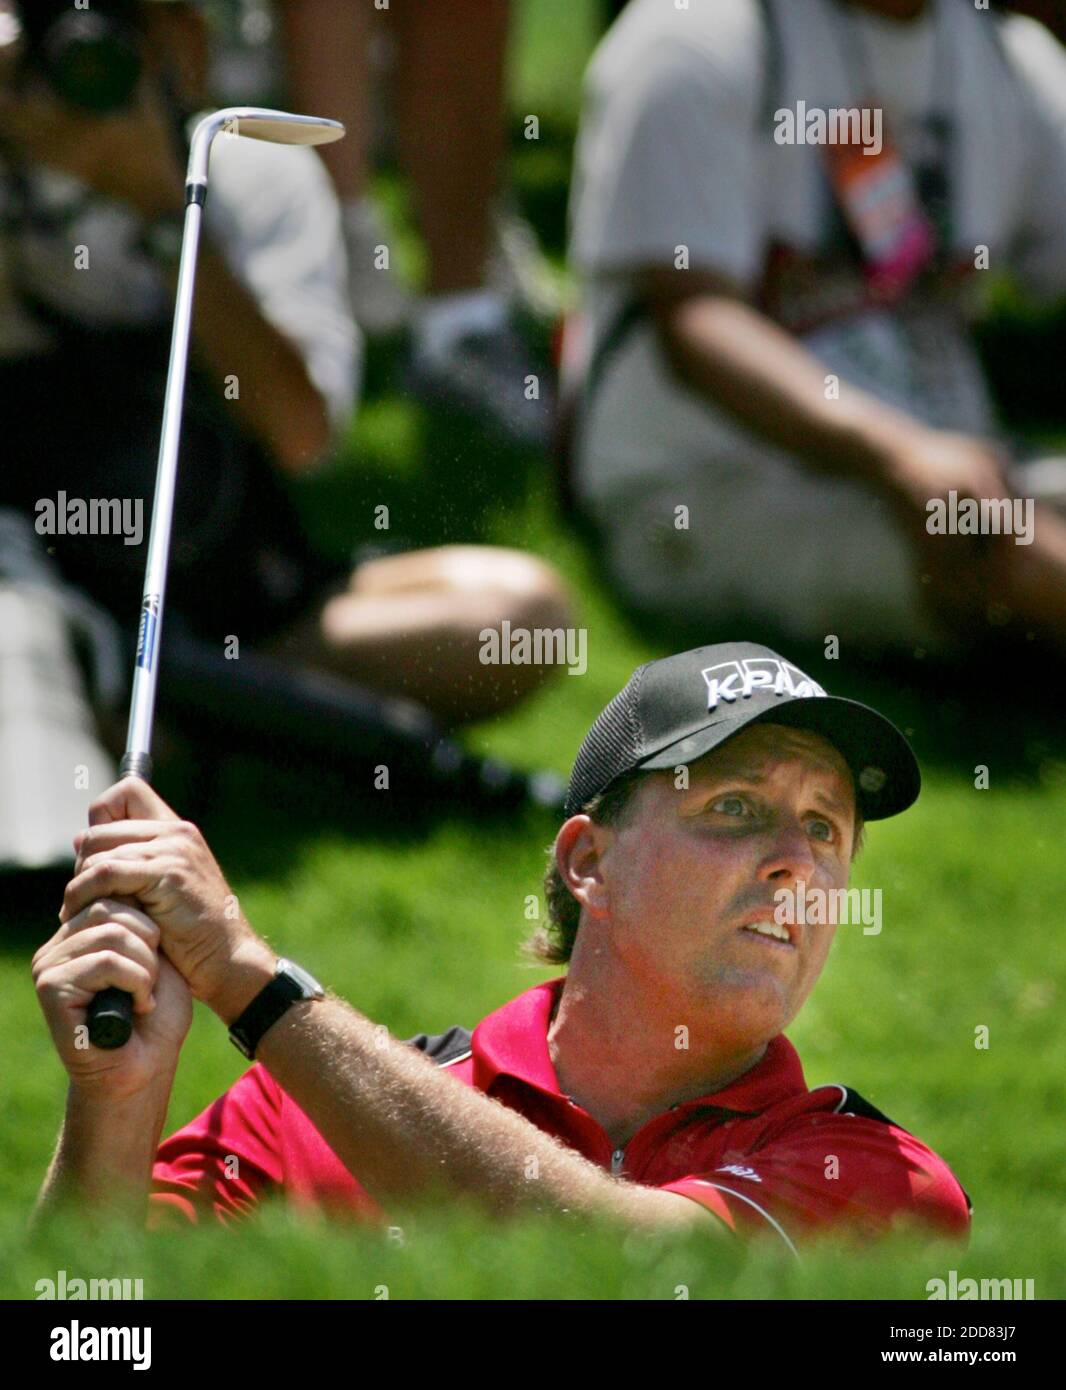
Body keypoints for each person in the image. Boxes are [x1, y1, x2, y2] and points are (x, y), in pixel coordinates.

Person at [32, 641, 971, 1252]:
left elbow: (630, 1271)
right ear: (588, 863)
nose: (796, 866)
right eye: (737, 808)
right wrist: (116, 1097)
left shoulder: (882, 1178)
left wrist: (252, 984)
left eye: (825, 829)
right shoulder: (300, 1108)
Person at [0, 0, 572, 867]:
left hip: (240, 596)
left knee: (525, 614)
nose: (87, 69)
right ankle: (186, 722)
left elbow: (301, 434)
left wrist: (165, 212)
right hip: (31, 588)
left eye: (120, 30)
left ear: (184, 45)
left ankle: (174, 717)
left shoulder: (256, 174)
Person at [562, 0, 1066, 660]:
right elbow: (692, 317)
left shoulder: (1009, 56)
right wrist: (900, 454)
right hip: (707, 485)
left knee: (981, 521)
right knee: (984, 540)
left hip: (962, 470)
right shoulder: (695, 35)